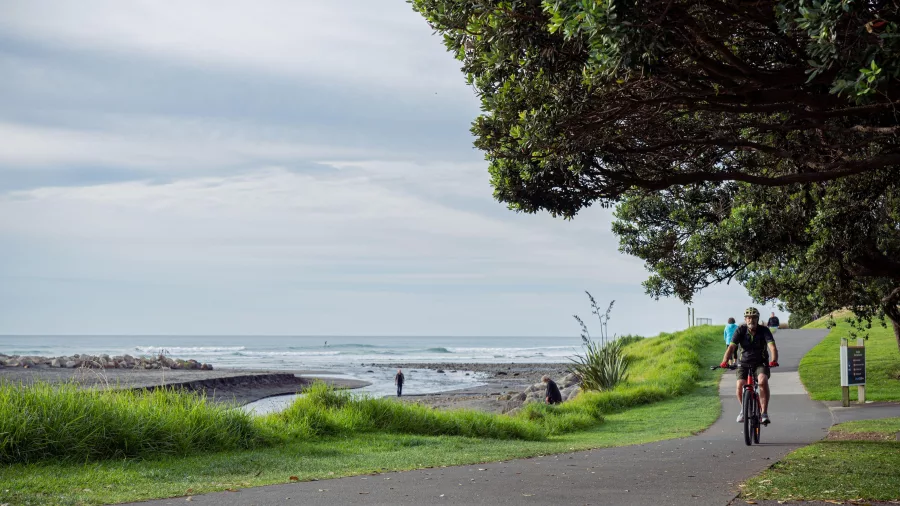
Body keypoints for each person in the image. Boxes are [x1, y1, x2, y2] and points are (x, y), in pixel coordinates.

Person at [721, 307, 779, 424]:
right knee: (740, 384)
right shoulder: (740, 330)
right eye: (748, 318)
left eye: (753, 318)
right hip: (743, 363)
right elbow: (731, 347)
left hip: (760, 362)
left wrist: (774, 360)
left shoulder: (764, 330)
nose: (750, 320)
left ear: (757, 319)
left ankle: (764, 413)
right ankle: (744, 409)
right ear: (745, 319)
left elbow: (772, 346)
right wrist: (725, 361)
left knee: (762, 380)